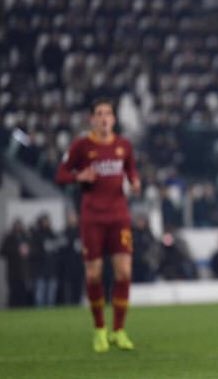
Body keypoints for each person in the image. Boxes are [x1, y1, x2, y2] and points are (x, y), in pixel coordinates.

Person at [55, 98, 140, 352]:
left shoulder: (123, 145)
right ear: (92, 119)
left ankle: (119, 330)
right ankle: (99, 330)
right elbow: (60, 174)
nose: (104, 118)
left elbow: (131, 170)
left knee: (123, 272)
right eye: (99, 114)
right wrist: (78, 176)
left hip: (119, 216)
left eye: (108, 114)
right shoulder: (82, 146)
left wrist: (135, 182)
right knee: (93, 274)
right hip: (92, 218)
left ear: (114, 119)